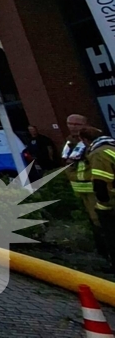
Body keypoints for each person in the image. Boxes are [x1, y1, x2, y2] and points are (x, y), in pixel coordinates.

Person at [63, 114, 105, 256]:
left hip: (94, 187)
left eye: (77, 124)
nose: (72, 127)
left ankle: (106, 252)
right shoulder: (70, 141)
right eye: (70, 123)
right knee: (92, 222)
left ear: (85, 125)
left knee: (100, 221)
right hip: (80, 189)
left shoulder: (92, 140)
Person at [87, 127, 115, 268]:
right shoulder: (112, 147)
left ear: (85, 140)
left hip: (111, 204)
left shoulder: (98, 154)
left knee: (111, 236)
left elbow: (100, 181)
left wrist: (103, 204)